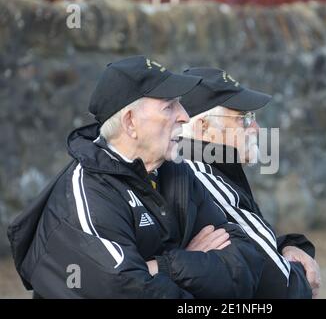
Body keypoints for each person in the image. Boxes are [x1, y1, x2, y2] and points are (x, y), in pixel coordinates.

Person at [7, 56, 264, 298]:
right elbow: (127, 289)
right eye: (169, 106)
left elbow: (246, 262)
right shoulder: (86, 193)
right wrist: (192, 264)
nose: (184, 116)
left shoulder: (178, 173)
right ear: (130, 123)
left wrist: (162, 267)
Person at [180, 67, 321, 298]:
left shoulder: (212, 168)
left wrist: (288, 246)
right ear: (204, 128)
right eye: (243, 118)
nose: (256, 128)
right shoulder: (199, 174)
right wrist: (301, 275)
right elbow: (279, 284)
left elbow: (254, 243)